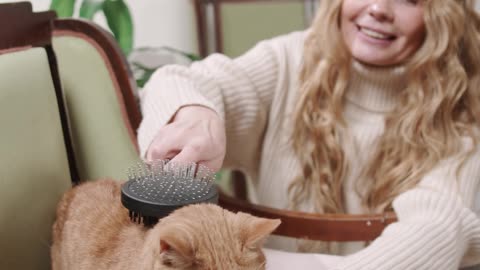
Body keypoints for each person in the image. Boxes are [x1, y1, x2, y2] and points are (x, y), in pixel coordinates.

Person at [137, 0, 480, 269]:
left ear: (443, 15)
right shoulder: (289, 61)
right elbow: (177, 81)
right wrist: (197, 116)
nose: (377, 8)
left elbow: (436, 232)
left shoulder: (461, 112)